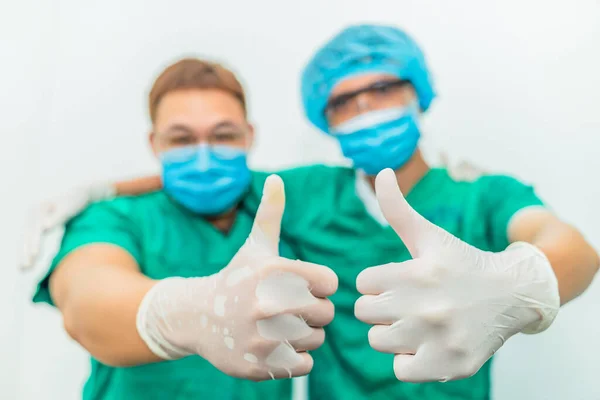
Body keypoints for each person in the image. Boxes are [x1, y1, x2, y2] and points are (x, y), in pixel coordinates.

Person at [25, 25, 598, 400]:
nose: (367, 109)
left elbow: (566, 243)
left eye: (383, 89)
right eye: (345, 101)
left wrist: (527, 281)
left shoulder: (482, 192)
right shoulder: (291, 196)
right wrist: (183, 307)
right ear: (325, 118)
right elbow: (88, 296)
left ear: (418, 90)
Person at [29, 58, 339, 400]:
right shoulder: (114, 217)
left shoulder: (281, 201)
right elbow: (85, 301)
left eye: (223, 135)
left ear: (249, 136)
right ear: (154, 142)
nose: (204, 158)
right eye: (182, 140)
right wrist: (190, 313)